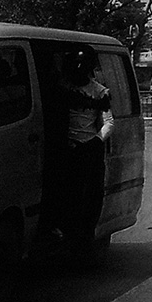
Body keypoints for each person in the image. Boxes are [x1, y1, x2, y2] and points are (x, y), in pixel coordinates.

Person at [58, 49, 111, 246]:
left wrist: (96, 141)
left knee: (89, 195)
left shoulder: (100, 92)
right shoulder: (64, 89)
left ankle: (85, 234)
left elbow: (109, 123)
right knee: (67, 193)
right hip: (67, 147)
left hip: (89, 148)